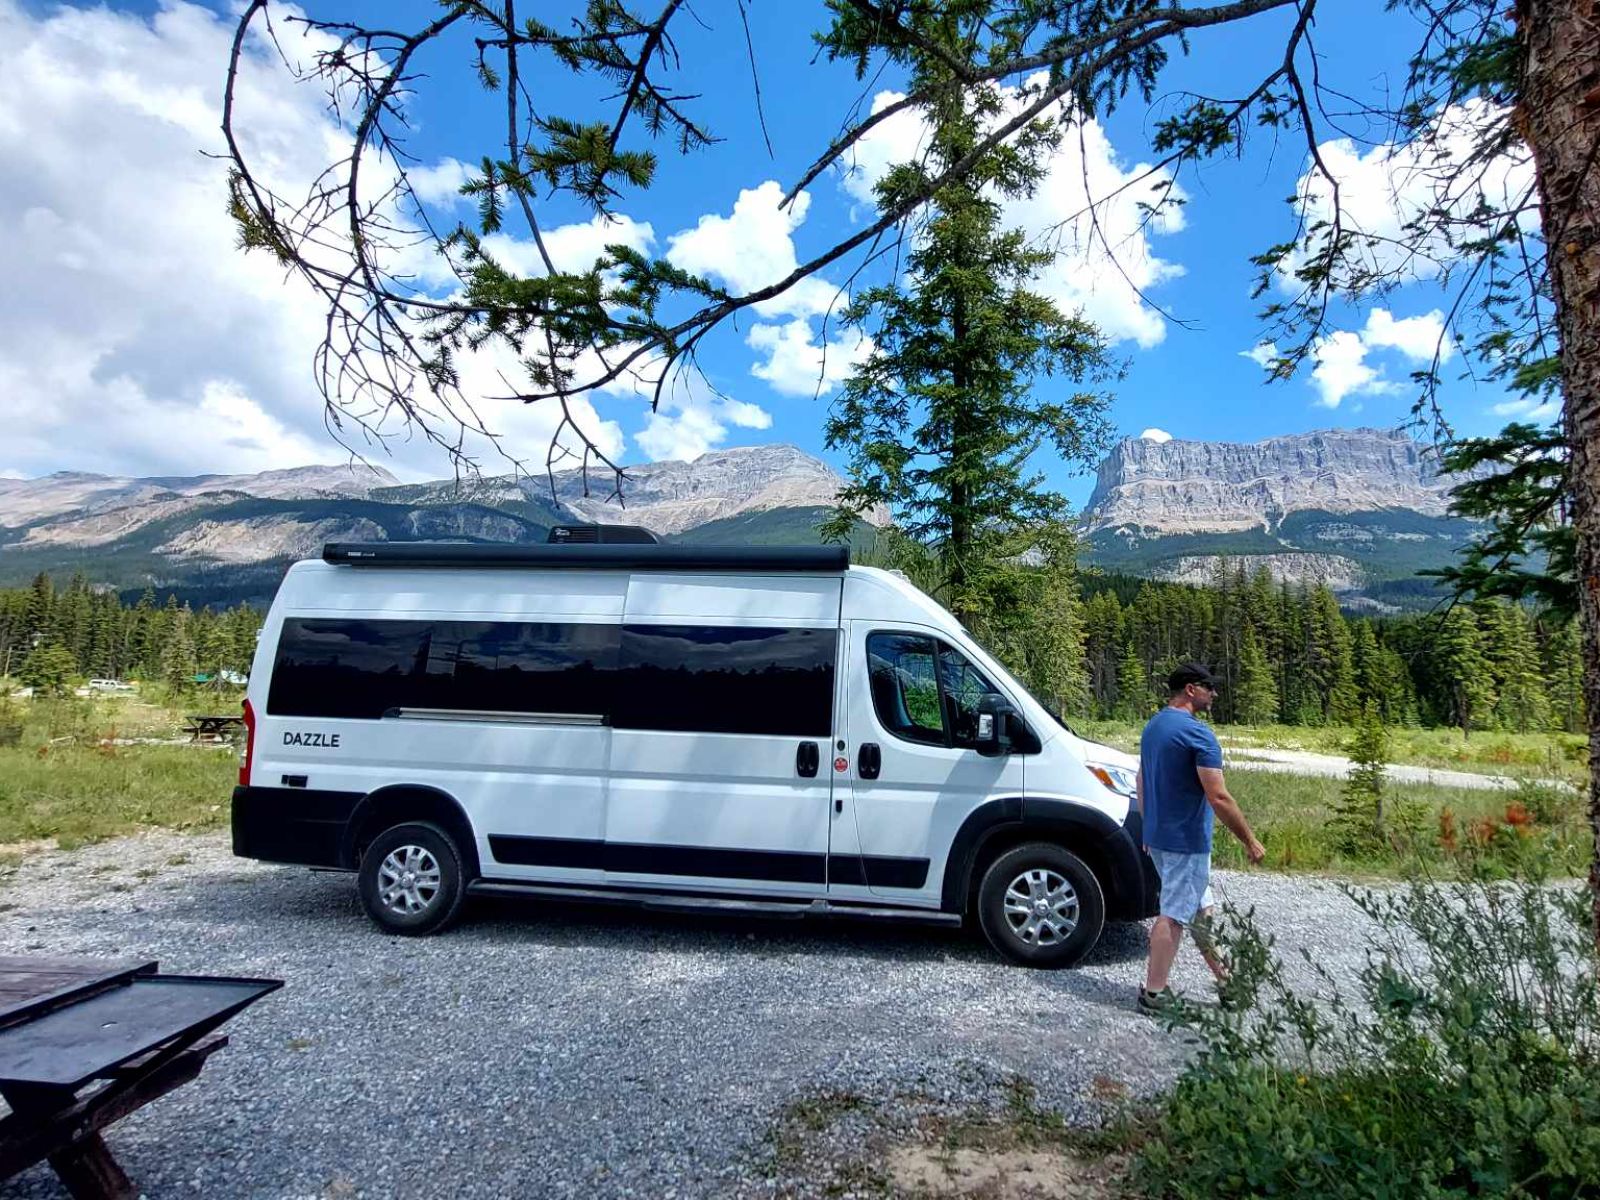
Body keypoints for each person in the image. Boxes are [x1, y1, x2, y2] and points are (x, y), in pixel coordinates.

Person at [1135, 662, 1265, 1015]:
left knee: (1200, 913)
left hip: (1160, 839)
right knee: (1173, 916)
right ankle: (1153, 994)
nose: (1215, 693)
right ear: (1191, 689)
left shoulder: (1154, 726)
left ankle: (1228, 985)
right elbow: (1219, 797)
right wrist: (1250, 840)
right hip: (1185, 843)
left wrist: (1148, 827)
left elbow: (1141, 780)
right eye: (1209, 687)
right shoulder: (1198, 734)